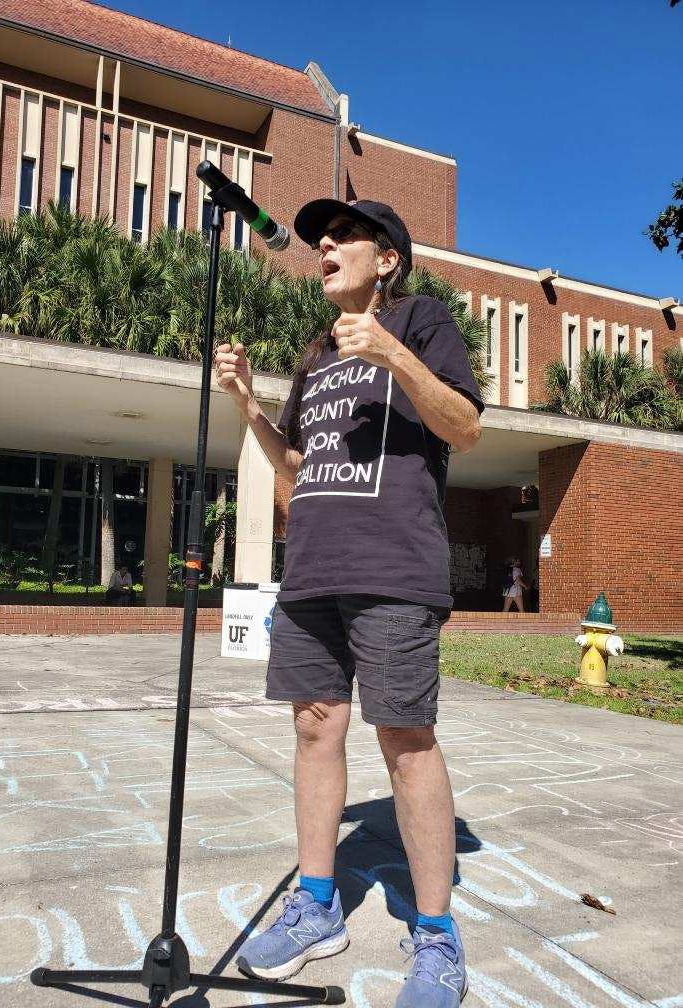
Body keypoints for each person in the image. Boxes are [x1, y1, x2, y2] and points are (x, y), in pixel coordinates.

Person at [214, 198, 483, 1008]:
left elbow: (466, 427)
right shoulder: (315, 354)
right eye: (318, 239)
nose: (324, 245)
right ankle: (317, 904)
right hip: (314, 572)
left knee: (404, 739)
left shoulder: (422, 320)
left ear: (387, 258)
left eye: (343, 236)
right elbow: (295, 475)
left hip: (394, 569)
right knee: (313, 728)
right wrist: (249, 407)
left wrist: (394, 353)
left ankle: (436, 936)